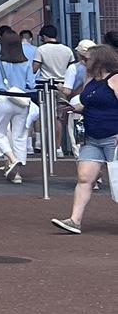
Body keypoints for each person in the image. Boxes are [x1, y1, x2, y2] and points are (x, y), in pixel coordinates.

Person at [54, 43, 118, 233]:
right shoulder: (91, 81)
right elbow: (87, 103)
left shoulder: (115, 79)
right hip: (93, 137)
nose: (84, 61)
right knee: (84, 177)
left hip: (113, 136)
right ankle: (75, 220)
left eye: (88, 59)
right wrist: (74, 108)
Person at [0, 29, 38, 182]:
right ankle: (17, 173)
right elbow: (31, 83)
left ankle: (11, 158)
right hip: (22, 100)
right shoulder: (26, 62)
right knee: (20, 135)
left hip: (3, 98)